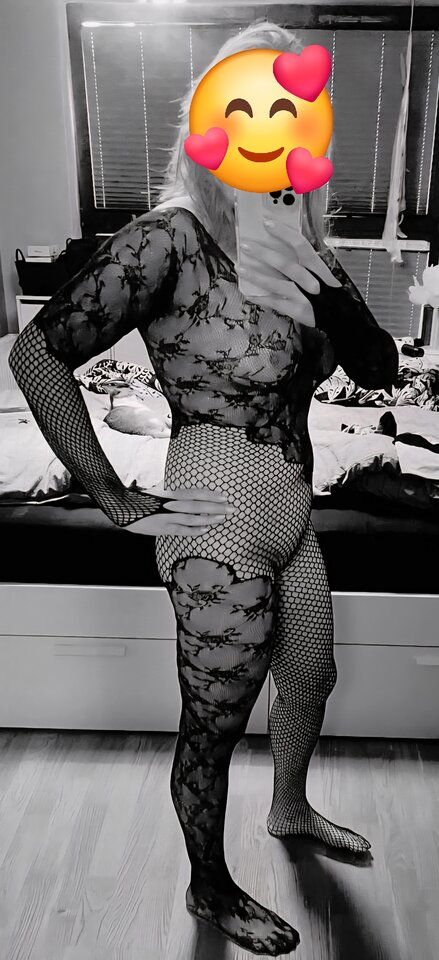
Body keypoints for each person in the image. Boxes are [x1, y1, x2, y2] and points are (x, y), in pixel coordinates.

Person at [9, 20, 398, 958]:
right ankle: (208, 888)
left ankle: (289, 808)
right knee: (215, 722)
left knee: (311, 675)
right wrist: (110, 493)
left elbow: (380, 369)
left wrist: (319, 279)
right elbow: (37, 354)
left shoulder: (303, 249)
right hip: (215, 513)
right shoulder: (168, 241)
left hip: (292, 510)